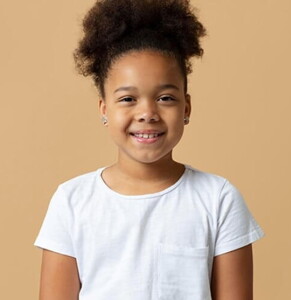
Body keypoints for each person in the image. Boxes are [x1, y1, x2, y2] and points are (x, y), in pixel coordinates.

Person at [34, 0, 265, 299]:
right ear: (104, 109)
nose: (147, 113)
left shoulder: (218, 200)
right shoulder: (72, 202)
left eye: (166, 98)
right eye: (128, 99)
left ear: (187, 106)